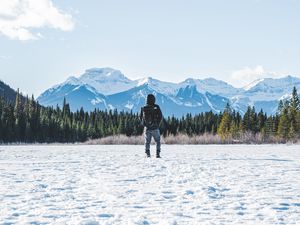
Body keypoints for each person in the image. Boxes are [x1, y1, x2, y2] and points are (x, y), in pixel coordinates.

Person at [140, 94, 163, 158]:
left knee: (147, 142)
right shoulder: (156, 107)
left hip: (147, 128)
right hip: (155, 128)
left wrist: (145, 124)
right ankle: (157, 154)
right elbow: (160, 116)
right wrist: (157, 124)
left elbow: (140, 117)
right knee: (157, 141)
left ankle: (147, 154)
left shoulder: (143, 107)